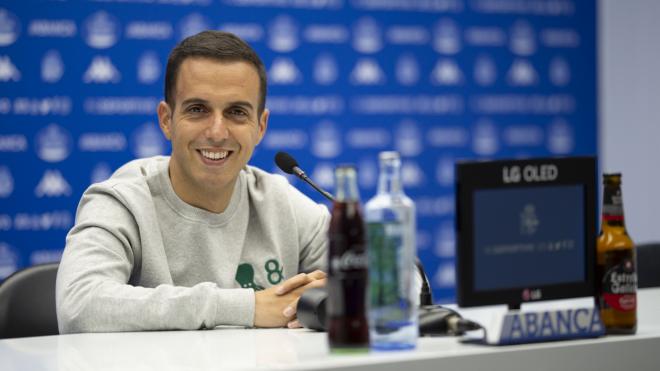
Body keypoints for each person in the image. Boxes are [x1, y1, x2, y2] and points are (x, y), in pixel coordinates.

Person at [56, 31, 329, 334]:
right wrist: (249, 307)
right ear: (166, 119)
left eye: (236, 112)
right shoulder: (123, 201)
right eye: (197, 110)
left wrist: (346, 290)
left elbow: (376, 285)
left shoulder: (284, 204)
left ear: (260, 126)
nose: (216, 132)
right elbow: (79, 306)